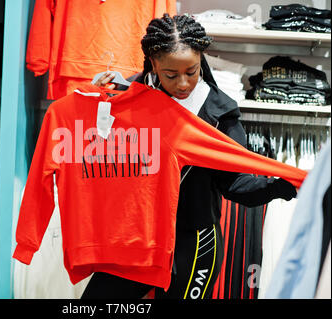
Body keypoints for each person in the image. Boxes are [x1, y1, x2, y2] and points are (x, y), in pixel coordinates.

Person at [81, 13, 297, 299]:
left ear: (201, 62)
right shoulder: (130, 96)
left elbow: (236, 185)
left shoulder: (218, 114)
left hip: (194, 247)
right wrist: (99, 104)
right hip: (136, 242)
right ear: (154, 63)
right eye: (171, 75)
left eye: (192, 72)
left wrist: (284, 184)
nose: (183, 84)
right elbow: (98, 156)